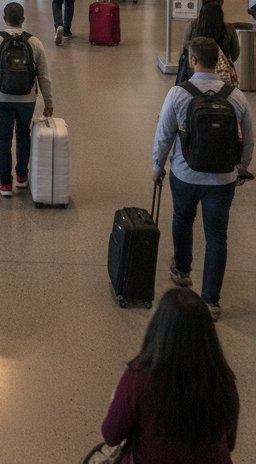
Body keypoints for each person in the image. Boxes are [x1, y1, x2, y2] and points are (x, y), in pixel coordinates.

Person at [152, 36, 253, 319]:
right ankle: (211, 301)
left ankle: (182, 271)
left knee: (183, 219)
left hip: (185, 174)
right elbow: (248, 139)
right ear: (217, 60)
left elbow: (164, 134)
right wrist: (241, 168)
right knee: (217, 235)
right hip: (222, 179)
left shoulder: (179, 94)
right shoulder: (236, 95)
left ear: (193, 60)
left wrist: (157, 165)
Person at [100, 287, 239, 462]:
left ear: (158, 330)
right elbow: (230, 443)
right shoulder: (224, 381)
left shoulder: (139, 379)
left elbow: (111, 435)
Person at [0, 2, 54, 196]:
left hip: (0, 97)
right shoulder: (35, 42)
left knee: (3, 140)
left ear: (4, 19)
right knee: (23, 135)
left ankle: (5, 184)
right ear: (22, 20)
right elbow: (44, 76)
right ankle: (22, 176)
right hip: (27, 98)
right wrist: (48, 102)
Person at [180, 0, 240, 67]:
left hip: (196, 71)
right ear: (221, 2)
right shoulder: (229, 28)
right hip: (221, 72)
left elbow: (184, 50)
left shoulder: (192, 26)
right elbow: (235, 53)